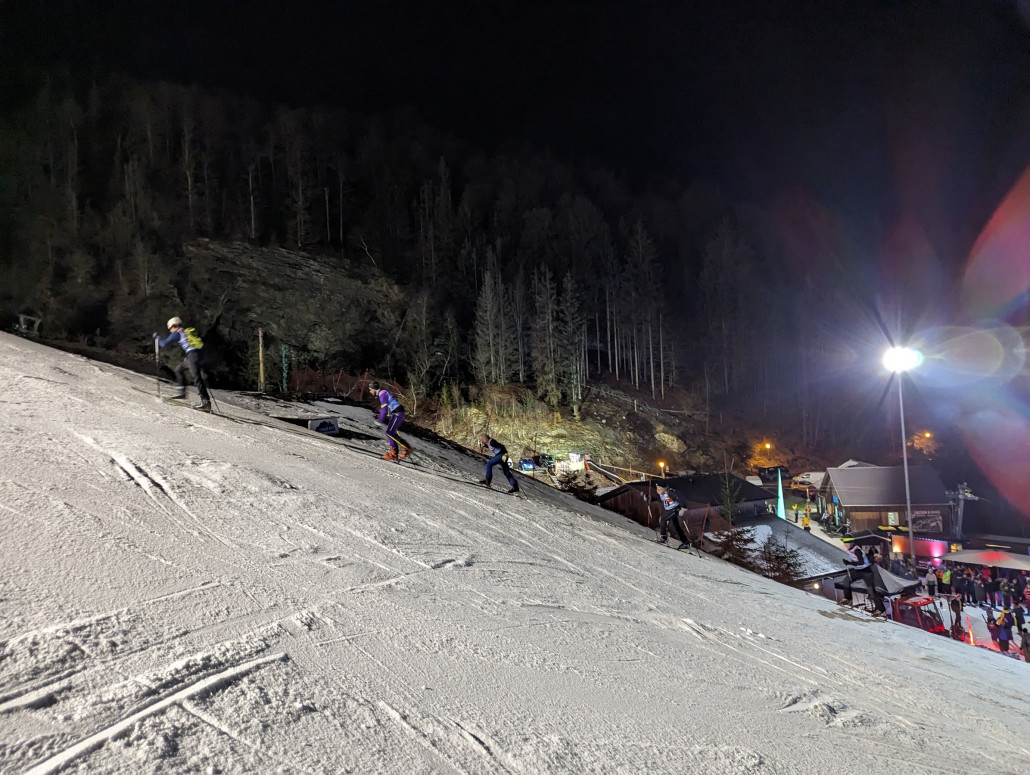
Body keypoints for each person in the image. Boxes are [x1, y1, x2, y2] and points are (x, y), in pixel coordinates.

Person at [154, 316, 211, 411]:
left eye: (171, 328)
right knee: (179, 369)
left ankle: (205, 402)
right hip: (196, 355)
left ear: (175, 325)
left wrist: (157, 338)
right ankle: (181, 392)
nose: (171, 331)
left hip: (193, 355)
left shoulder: (177, 332)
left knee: (196, 377)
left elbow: (164, 344)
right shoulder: (184, 332)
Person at [369, 381, 413, 460]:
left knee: (390, 433)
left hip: (397, 413)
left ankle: (406, 448)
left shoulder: (382, 394)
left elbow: (384, 409)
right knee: (390, 433)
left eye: (370, 389)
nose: (370, 391)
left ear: (374, 389)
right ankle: (394, 454)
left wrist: (379, 421)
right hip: (396, 412)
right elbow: (388, 406)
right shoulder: (382, 393)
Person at [654, 485, 691, 549]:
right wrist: (649, 498)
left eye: (660, 487)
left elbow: (680, 498)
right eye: (657, 486)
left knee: (663, 519)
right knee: (677, 527)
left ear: (664, 487)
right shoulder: (661, 493)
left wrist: (683, 509)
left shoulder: (669, 492)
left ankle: (663, 538)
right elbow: (659, 498)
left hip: (675, 509)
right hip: (670, 510)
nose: (658, 488)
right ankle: (686, 543)